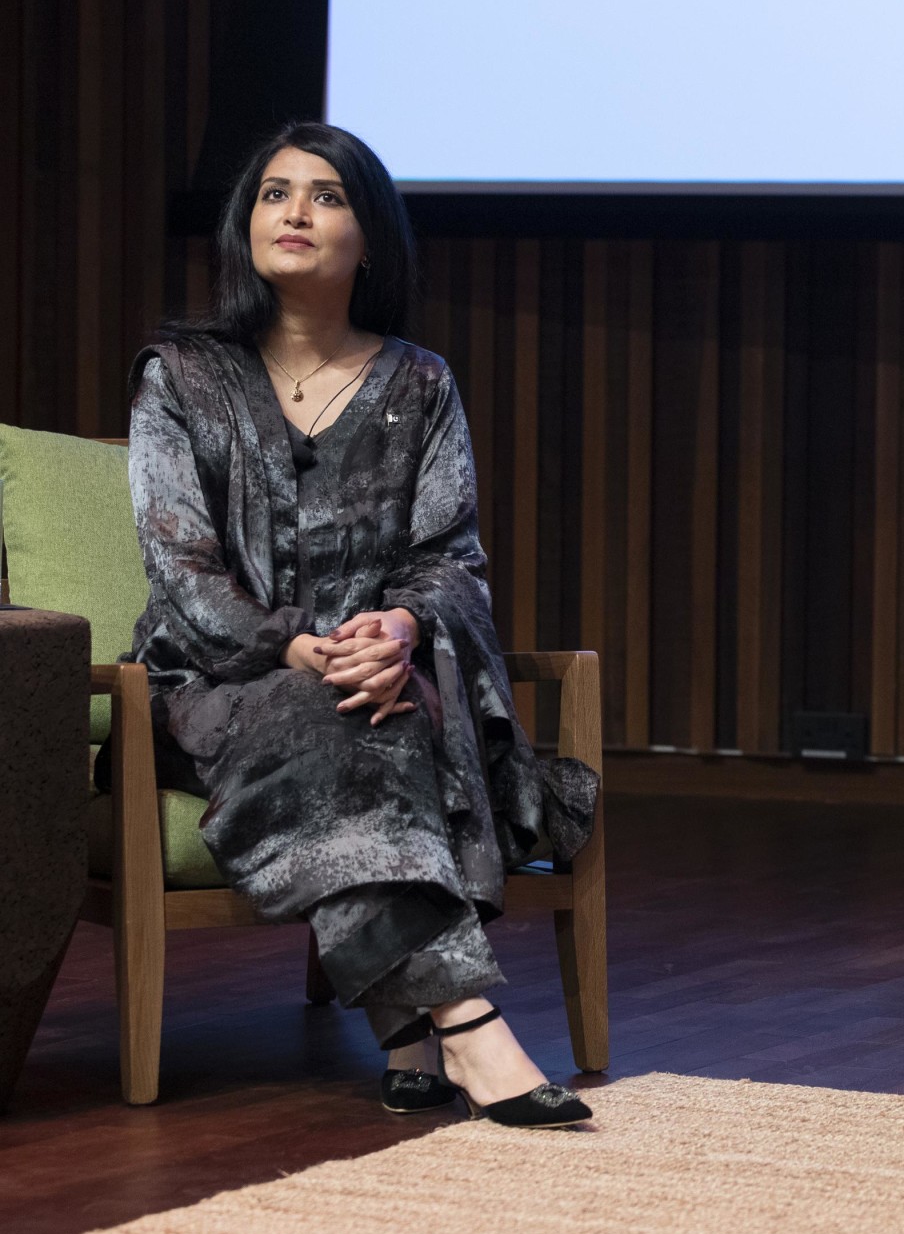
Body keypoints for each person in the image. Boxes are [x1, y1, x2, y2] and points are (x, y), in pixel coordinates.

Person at [121, 122, 599, 1128]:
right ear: (245, 222)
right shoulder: (179, 378)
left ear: (369, 236)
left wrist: (396, 631)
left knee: (376, 709)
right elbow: (181, 571)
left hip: (375, 675)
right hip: (212, 680)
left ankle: (402, 1031)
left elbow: (448, 557)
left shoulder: (420, 383)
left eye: (326, 195)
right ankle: (468, 1021)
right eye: (273, 192)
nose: (294, 211)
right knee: (330, 709)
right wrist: (296, 642)